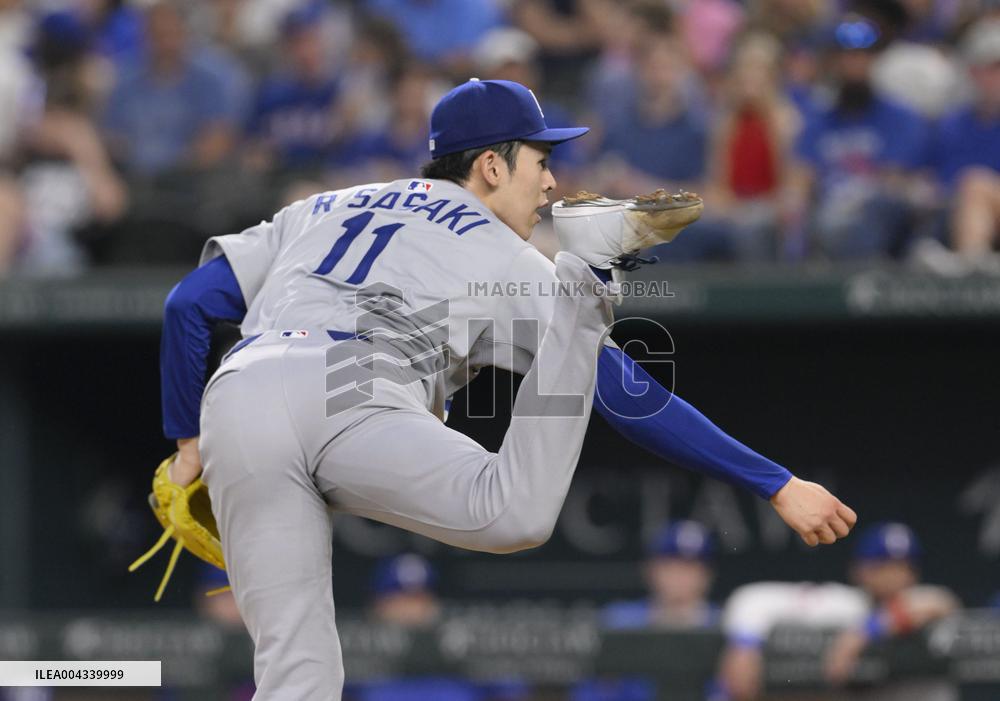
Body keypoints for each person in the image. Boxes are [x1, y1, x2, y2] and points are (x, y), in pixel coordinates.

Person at [158, 78, 856, 699]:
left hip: (241, 391)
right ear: (492, 164)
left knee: (296, 674)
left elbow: (188, 305)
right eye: (542, 161)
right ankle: (587, 280)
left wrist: (190, 440)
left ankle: (584, 281)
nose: (551, 184)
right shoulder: (505, 256)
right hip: (357, 384)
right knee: (513, 512)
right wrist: (773, 481)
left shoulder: (322, 205)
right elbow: (632, 396)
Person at [716, 522, 959, 701]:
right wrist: (745, 642)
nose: (895, 575)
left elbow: (938, 602)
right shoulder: (844, 603)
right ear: (859, 569)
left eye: (903, 566)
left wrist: (866, 631)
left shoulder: (928, 601)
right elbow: (752, 598)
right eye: (882, 565)